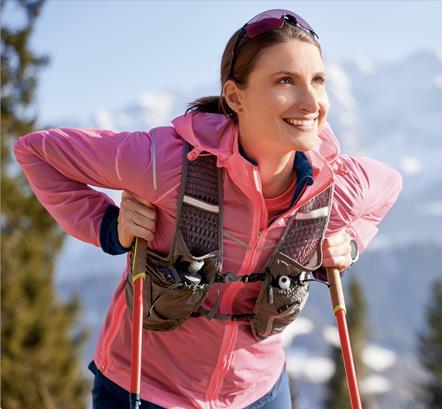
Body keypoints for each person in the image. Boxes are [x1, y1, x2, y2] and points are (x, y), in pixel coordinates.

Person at [14, 9, 403, 409]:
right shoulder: (165, 163)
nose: (310, 102)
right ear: (235, 97)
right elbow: (38, 153)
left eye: (318, 81)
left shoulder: (334, 183)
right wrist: (110, 227)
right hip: (143, 387)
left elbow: (389, 187)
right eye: (285, 81)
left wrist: (350, 243)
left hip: (258, 392)